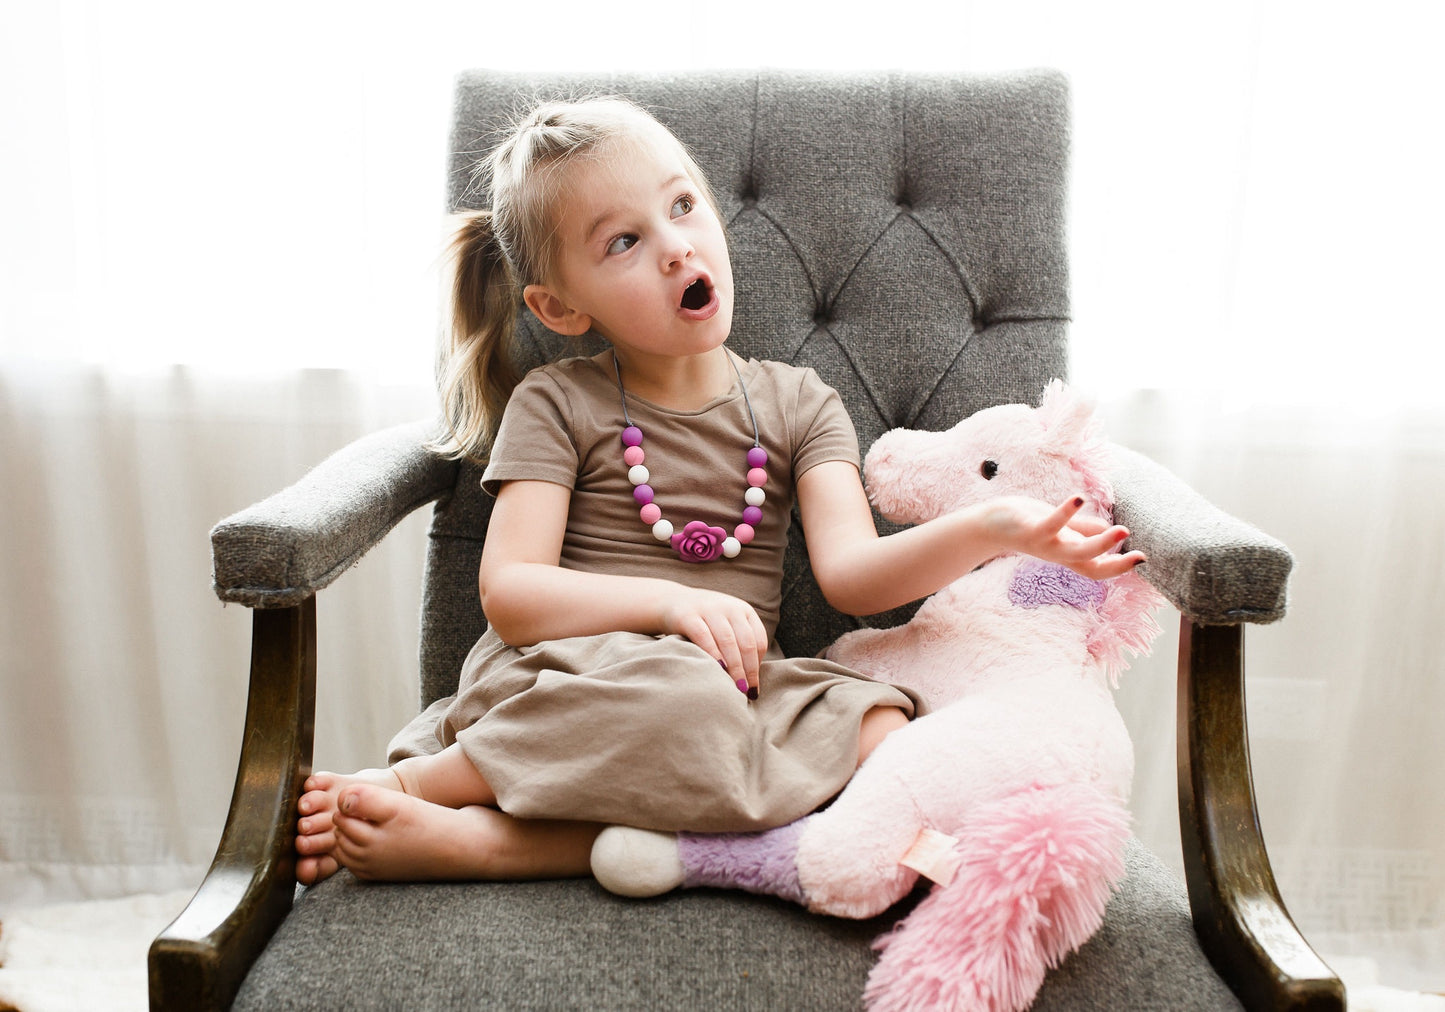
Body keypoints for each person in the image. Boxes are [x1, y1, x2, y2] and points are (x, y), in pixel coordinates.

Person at [294, 97, 1144, 887]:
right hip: (577, 673)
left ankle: (546, 839)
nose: (674, 246)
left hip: (732, 690)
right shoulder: (557, 402)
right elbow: (512, 597)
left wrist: (993, 525)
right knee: (671, 692)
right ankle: (440, 798)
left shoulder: (800, 403)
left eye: (682, 206)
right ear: (558, 308)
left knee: (885, 734)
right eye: (620, 243)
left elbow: (854, 576)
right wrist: (669, 606)